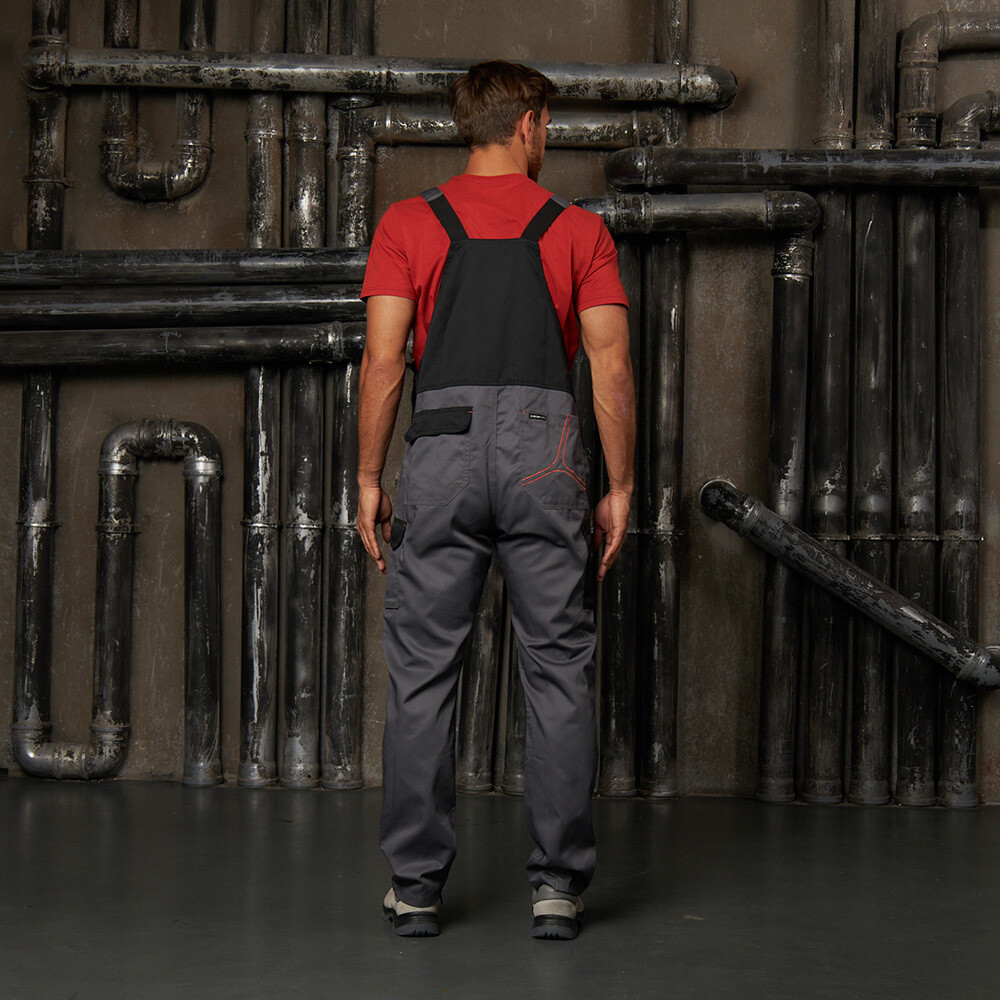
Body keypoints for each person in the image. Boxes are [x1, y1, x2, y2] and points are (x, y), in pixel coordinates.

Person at [356, 60, 635, 940]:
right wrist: (619, 486)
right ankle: (557, 888)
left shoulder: (408, 223)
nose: (547, 137)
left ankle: (415, 889)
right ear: (528, 124)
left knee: (422, 672)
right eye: (546, 124)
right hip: (546, 457)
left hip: (441, 450)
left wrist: (368, 478)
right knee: (558, 669)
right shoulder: (577, 230)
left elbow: (384, 362)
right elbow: (610, 368)